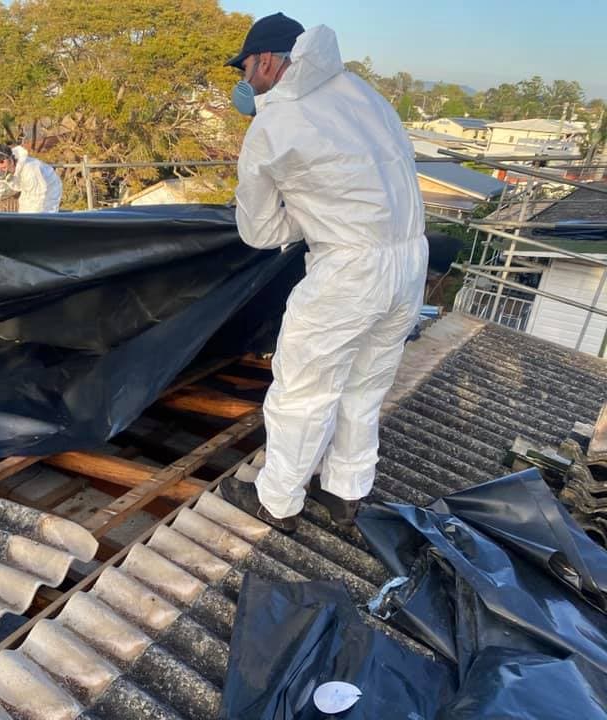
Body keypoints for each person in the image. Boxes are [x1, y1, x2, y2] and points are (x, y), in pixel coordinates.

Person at [219, 14, 428, 533]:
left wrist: (303, 214)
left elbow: (260, 231)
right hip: (408, 259)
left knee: (305, 388)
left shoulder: (273, 123)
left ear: (266, 60)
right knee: (366, 382)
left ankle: (277, 502)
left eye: (245, 68)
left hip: (350, 268)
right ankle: (345, 493)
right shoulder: (363, 93)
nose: (243, 82)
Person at [0, 144, 62, 213]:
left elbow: (37, 198)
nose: (0, 171)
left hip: (49, 185)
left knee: (44, 213)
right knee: (24, 209)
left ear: (12, 162)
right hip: (26, 187)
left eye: (4, 168)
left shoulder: (30, 169)